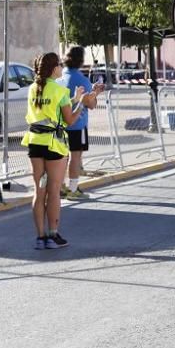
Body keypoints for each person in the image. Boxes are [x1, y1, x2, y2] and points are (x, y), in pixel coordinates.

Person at [22, 52, 92, 249]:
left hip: (35, 142)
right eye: (59, 65)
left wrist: (73, 98)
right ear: (54, 69)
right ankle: (53, 235)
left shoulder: (33, 89)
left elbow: (49, 108)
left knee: (39, 190)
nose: (62, 68)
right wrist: (81, 103)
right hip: (54, 144)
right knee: (53, 191)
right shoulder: (59, 90)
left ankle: (40, 238)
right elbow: (70, 120)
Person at [58, 46, 105, 200]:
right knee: (75, 156)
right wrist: (96, 93)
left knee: (62, 157)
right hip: (77, 123)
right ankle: (73, 189)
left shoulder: (59, 78)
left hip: (60, 124)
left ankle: (60, 186)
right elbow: (90, 104)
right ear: (80, 60)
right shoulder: (82, 79)